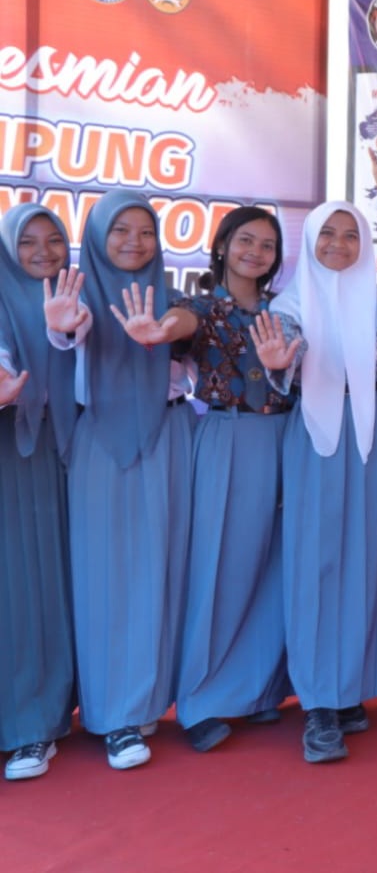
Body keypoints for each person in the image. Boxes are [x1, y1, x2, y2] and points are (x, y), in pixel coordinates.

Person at [112, 206, 293, 753]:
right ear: (222, 246)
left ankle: (258, 691)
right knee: (218, 569)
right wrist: (157, 332)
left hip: (285, 439)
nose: (255, 252)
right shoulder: (203, 304)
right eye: (245, 240)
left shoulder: (285, 310)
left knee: (271, 569)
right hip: (226, 439)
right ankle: (199, 701)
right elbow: (180, 324)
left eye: (266, 245)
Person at [252, 202, 377, 764]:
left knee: (369, 565)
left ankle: (350, 688)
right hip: (316, 441)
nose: (338, 244)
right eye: (327, 233)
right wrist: (281, 361)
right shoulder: (290, 304)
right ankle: (319, 706)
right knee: (317, 568)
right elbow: (286, 357)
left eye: (350, 235)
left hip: (376, 446)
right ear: (311, 239)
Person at [49, 190, 195, 770]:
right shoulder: (72, 295)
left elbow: (190, 322)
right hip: (97, 446)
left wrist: (165, 328)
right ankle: (109, 715)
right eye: (120, 231)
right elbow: (64, 335)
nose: (134, 242)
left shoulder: (172, 296)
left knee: (158, 574)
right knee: (101, 580)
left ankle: (144, 708)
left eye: (145, 231)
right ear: (98, 236)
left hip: (166, 441)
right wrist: (63, 331)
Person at [0, 205, 77, 781]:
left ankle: (38, 725)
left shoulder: (77, 296)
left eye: (55, 239)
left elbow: (83, 348)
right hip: (12, 458)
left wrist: (60, 331)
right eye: (29, 241)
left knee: (51, 591)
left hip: (70, 457)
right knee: (19, 593)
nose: (45, 251)